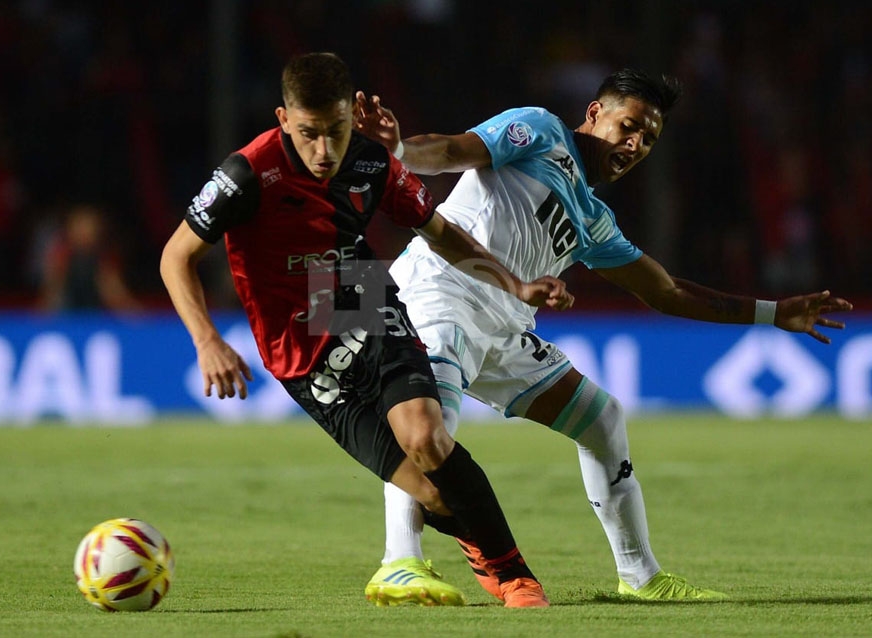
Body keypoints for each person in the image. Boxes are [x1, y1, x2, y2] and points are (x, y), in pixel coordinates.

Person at [353, 68, 854, 602]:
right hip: (438, 294)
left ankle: (641, 577)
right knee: (429, 422)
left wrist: (773, 313)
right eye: (629, 126)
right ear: (594, 114)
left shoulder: (594, 220)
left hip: (504, 328)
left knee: (602, 418)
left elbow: (666, 291)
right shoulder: (540, 130)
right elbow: (452, 150)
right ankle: (400, 561)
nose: (635, 144)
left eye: (648, 139)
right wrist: (399, 149)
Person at [159, 52, 577, 608]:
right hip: (296, 349)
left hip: (356, 292)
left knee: (426, 436)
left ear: (348, 117)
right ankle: (483, 551)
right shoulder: (246, 174)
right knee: (429, 493)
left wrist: (516, 286)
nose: (324, 150)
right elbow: (176, 256)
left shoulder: (371, 162)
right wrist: (207, 339)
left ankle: (516, 578)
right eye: (309, 134)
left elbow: (441, 232)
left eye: (336, 131)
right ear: (283, 119)